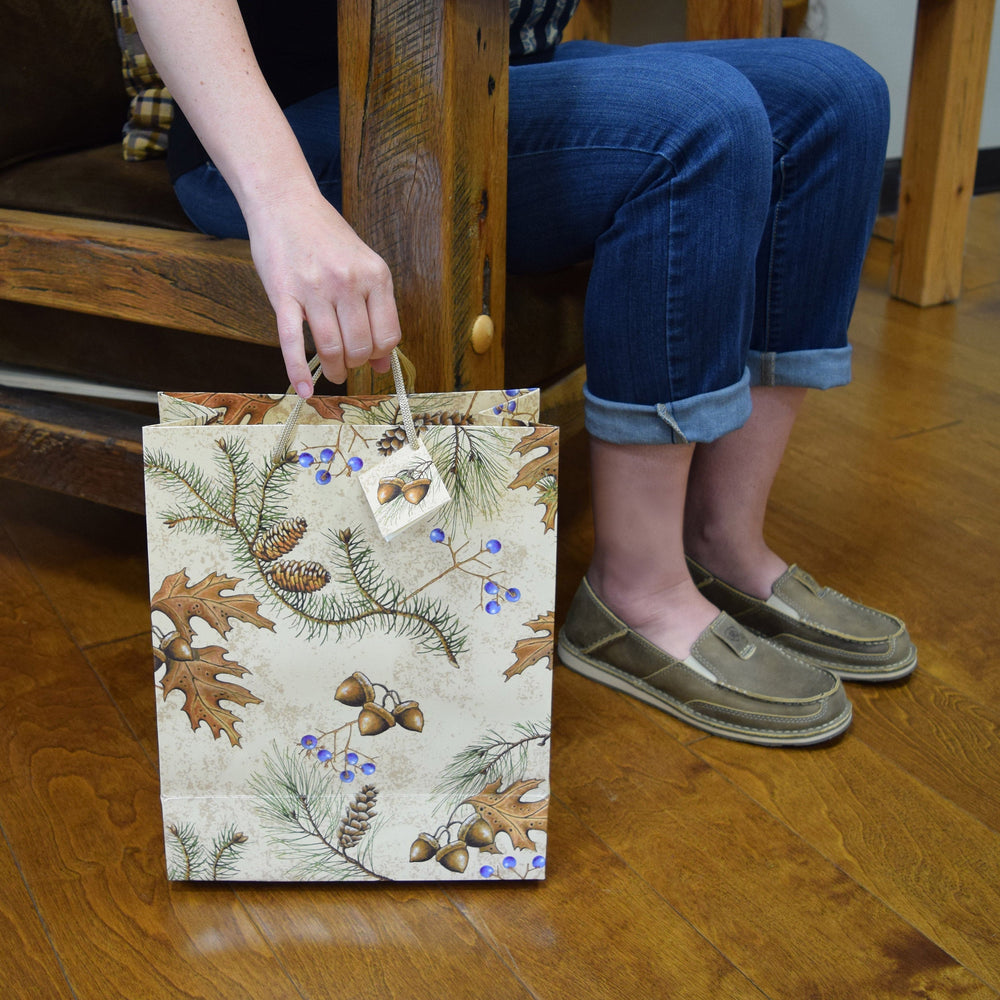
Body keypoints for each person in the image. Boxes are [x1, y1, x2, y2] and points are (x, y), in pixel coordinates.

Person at [130, 0, 916, 746]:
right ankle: (635, 595)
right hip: (295, 113)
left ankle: (723, 540)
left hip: (493, 65)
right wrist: (284, 201)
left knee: (835, 99)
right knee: (698, 123)